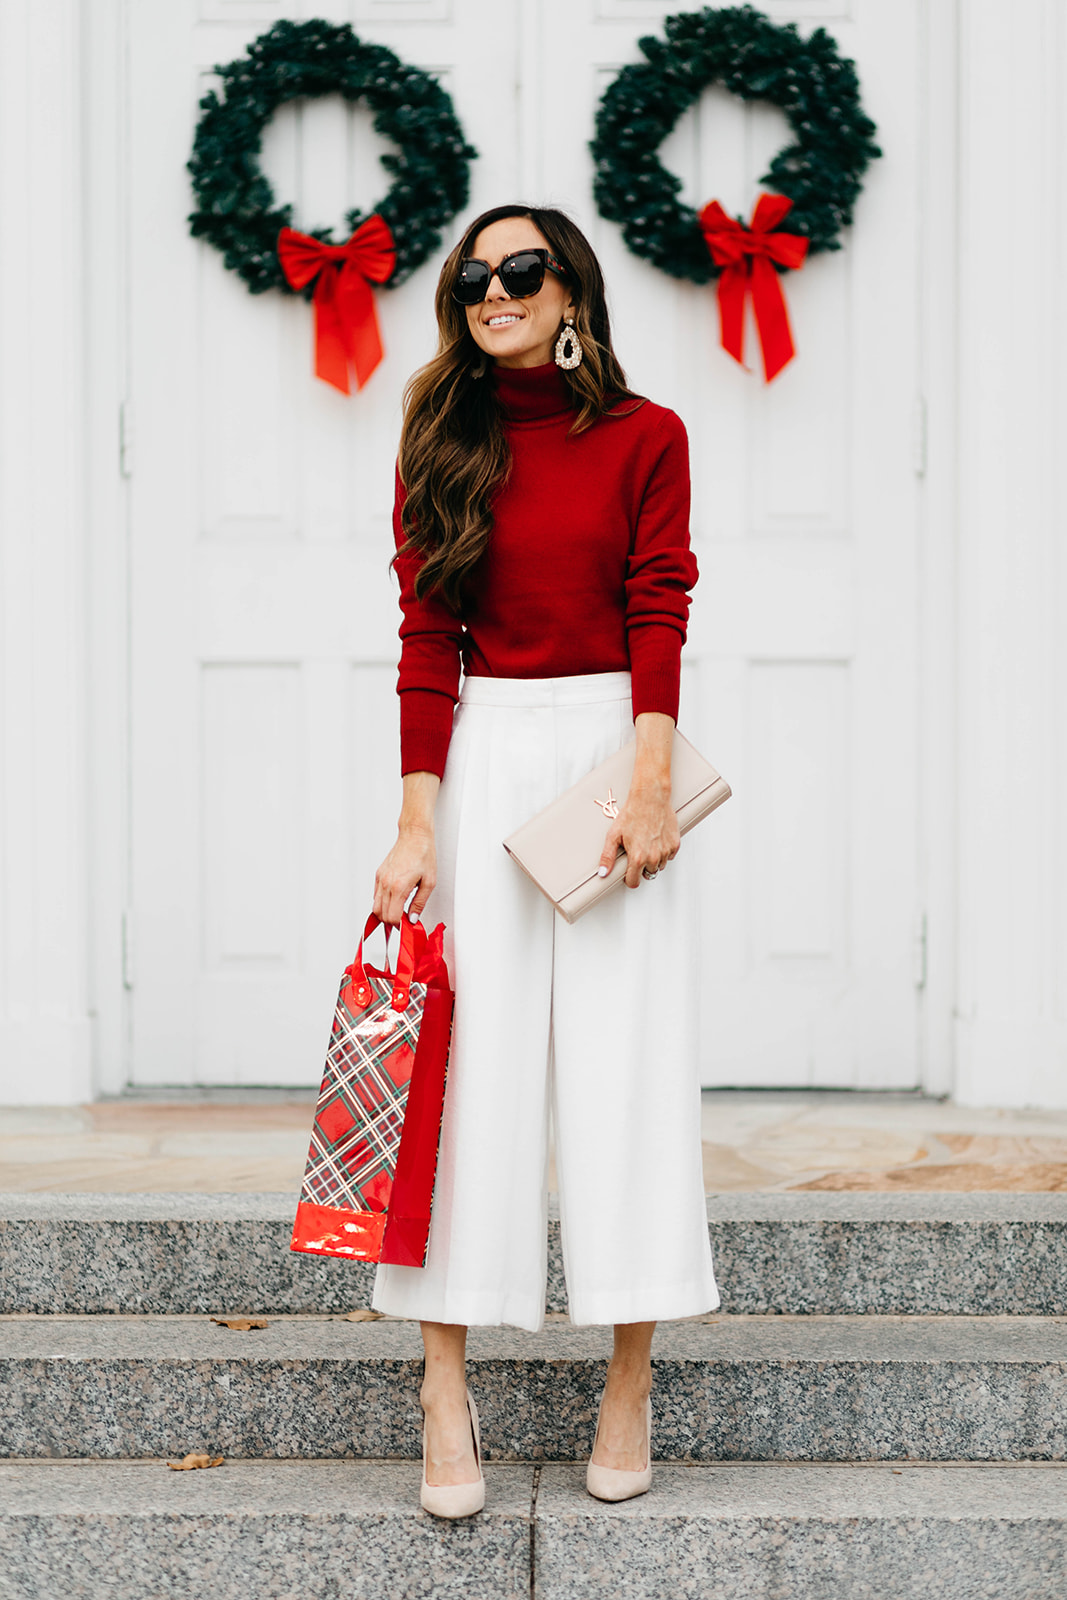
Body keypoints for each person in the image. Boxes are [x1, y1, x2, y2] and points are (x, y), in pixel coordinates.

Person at [371, 203, 718, 1518]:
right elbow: (424, 636)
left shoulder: (648, 438)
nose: (496, 290)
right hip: (485, 759)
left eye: (523, 271)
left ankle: (629, 1373)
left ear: (572, 293)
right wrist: (415, 822)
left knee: (628, 1066)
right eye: (475, 275)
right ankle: (441, 1385)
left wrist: (648, 792)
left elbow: (658, 606)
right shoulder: (441, 435)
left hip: (616, 756)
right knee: (465, 1081)